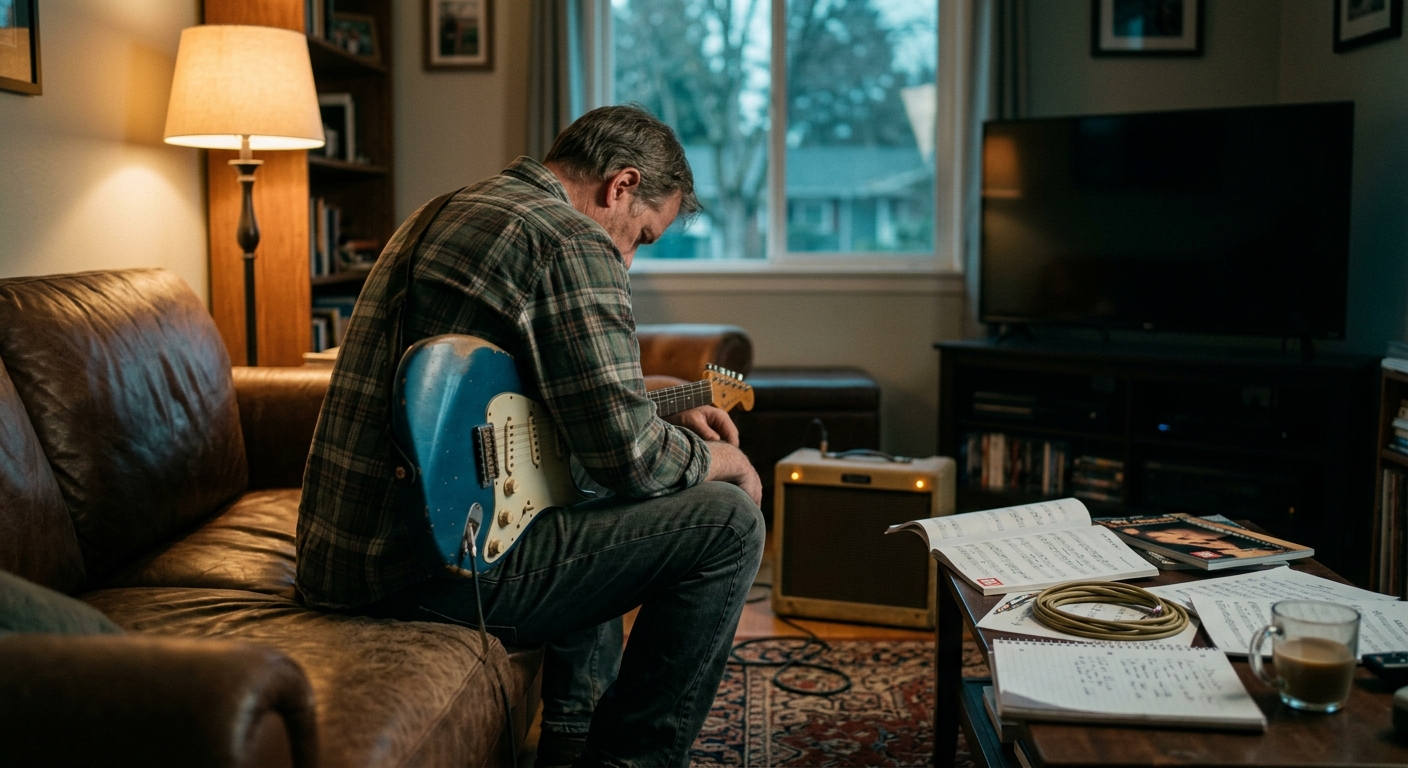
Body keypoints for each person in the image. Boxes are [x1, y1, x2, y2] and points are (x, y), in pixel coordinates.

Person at [296, 105, 765, 767]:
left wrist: (650, 401)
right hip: (425, 576)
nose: (628, 259)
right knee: (731, 521)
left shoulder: (443, 208)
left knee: (582, 487)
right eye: (643, 236)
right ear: (621, 186)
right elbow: (630, 460)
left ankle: (571, 735)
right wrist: (723, 461)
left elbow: (522, 399)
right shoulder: (570, 240)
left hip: (344, 561)